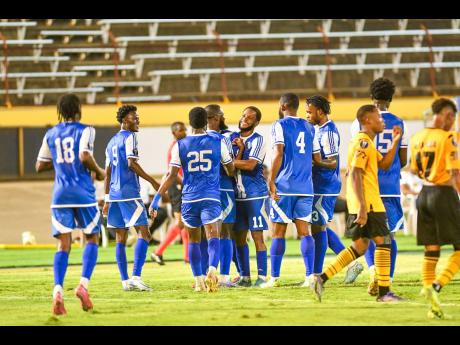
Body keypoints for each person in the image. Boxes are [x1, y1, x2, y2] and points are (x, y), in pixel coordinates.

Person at [313, 104, 404, 302]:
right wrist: (363, 207)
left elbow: (385, 164)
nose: (382, 121)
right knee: (384, 242)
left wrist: (396, 141)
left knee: (360, 247)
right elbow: (354, 172)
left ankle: (322, 277)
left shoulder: (368, 143)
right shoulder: (363, 143)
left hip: (363, 203)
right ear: (367, 120)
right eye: (379, 118)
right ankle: (384, 292)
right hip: (369, 203)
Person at [149, 107, 235, 292]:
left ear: (189, 123)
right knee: (214, 237)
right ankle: (212, 270)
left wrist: (156, 198)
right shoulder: (217, 141)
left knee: (194, 241)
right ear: (206, 122)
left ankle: (198, 281)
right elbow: (230, 169)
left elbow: (171, 175)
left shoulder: (179, 145)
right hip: (210, 196)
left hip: (189, 199)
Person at [36, 94, 105, 316]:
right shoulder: (86, 130)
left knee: (63, 245)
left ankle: (57, 292)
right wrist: (100, 171)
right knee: (92, 237)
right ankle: (83, 285)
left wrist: (59, 162)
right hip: (83, 193)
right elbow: (85, 155)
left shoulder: (51, 133)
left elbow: (39, 165)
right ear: (78, 110)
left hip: (60, 195)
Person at [349, 78, 408, 292]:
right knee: (387, 235)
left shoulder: (360, 121)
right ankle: (386, 280)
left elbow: (358, 155)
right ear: (390, 99)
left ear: (371, 97)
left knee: (366, 235)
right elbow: (404, 159)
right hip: (390, 186)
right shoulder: (400, 123)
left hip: (367, 186)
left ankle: (373, 271)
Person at [261, 93, 319, 288]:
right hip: (306, 186)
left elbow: (278, 152)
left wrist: (271, 180)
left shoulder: (280, 125)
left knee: (278, 232)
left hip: (285, 185)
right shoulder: (310, 126)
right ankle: (310, 277)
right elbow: (315, 157)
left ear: (284, 105)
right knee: (305, 231)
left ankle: (274, 278)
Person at [410, 98, 460, 319]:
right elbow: (455, 173)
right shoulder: (448, 137)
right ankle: (437, 286)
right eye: (451, 117)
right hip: (443, 193)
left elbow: (413, 169)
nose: (452, 121)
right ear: (445, 115)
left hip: (424, 195)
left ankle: (429, 292)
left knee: (431, 248)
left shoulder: (417, 137)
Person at [306, 95, 364, 284]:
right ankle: (350, 263)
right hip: (319, 185)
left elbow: (332, 162)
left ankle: (316, 274)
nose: (307, 115)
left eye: (310, 111)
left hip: (326, 185)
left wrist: (315, 161)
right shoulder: (318, 130)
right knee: (317, 226)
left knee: (318, 228)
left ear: (320, 112)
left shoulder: (329, 132)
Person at [103, 105, 160, 292]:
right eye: (134, 117)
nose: (138, 120)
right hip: (129, 192)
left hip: (114, 195)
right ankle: (136, 277)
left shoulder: (111, 142)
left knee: (121, 237)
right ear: (124, 120)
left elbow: (108, 172)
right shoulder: (130, 137)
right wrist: (153, 181)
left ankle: (125, 281)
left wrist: (106, 199)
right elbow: (132, 164)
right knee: (145, 233)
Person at [230, 106, 269, 287]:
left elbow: (251, 165)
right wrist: (236, 157)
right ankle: (245, 277)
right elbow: (229, 167)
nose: (245, 119)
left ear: (256, 122)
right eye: (244, 115)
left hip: (255, 195)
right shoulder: (231, 138)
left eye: (250, 117)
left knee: (257, 237)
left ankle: (262, 277)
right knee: (239, 238)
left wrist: (229, 162)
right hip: (237, 197)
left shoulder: (259, 140)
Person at [205, 104, 237, 287]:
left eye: (210, 118)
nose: (209, 121)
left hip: (208, 190)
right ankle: (220, 276)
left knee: (217, 233)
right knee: (221, 233)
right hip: (222, 187)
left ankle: (212, 276)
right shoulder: (225, 138)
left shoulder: (195, 139)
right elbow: (230, 169)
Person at [151, 122, 189, 265]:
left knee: (184, 223)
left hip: (179, 185)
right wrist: (185, 184)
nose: (184, 132)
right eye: (180, 130)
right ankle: (157, 252)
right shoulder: (175, 147)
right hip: (177, 185)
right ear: (174, 133)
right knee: (180, 223)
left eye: (185, 129)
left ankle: (187, 257)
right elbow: (173, 172)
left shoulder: (182, 145)